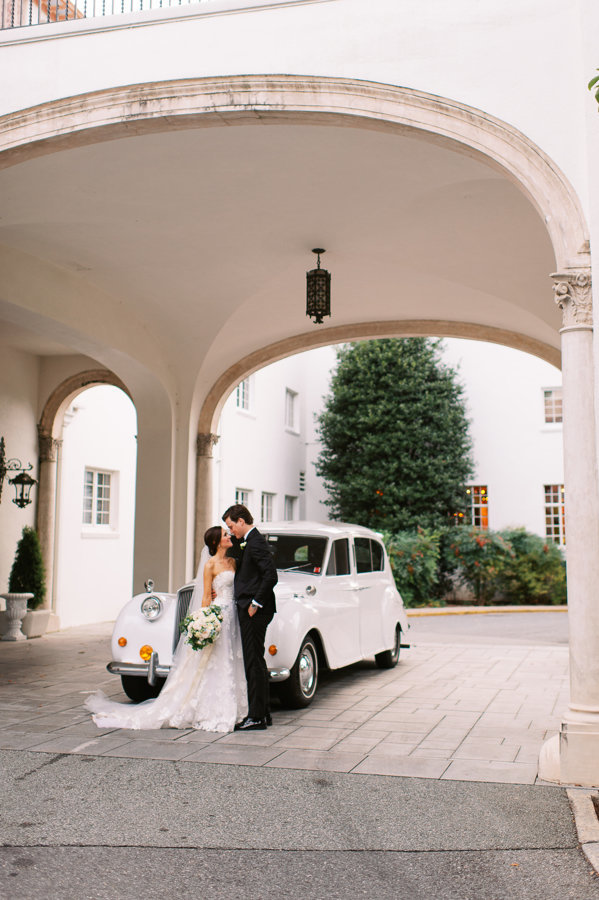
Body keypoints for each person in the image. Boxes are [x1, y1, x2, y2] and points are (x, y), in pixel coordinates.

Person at [84, 526, 247, 733]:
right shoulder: (210, 565)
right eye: (225, 535)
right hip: (218, 616)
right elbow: (206, 596)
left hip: (233, 616)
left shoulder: (233, 562)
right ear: (216, 542)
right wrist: (205, 620)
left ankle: (233, 706)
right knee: (215, 661)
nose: (229, 536)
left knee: (230, 659)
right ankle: (211, 709)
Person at [223, 504, 277, 731]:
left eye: (231, 526)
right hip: (250, 608)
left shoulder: (255, 542)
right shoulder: (248, 540)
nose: (231, 530)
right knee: (256, 661)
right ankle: (263, 712)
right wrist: (232, 539)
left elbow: (271, 575)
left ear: (242, 521)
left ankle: (256, 717)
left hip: (254, 611)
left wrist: (256, 603)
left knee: (253, 662)